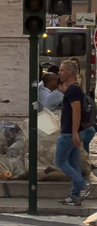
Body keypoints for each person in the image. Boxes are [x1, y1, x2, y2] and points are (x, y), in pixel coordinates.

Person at [57, 61, 87, 206]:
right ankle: (75, 196)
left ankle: (82, 184)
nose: (59, 73)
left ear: (70, 72)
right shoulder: (73, 89)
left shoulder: (73, 90)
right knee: (74, 164)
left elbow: (77, 111)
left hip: (69, 133)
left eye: (62, 70)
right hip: (72, 132)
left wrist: (74, 132)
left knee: (59, 161)